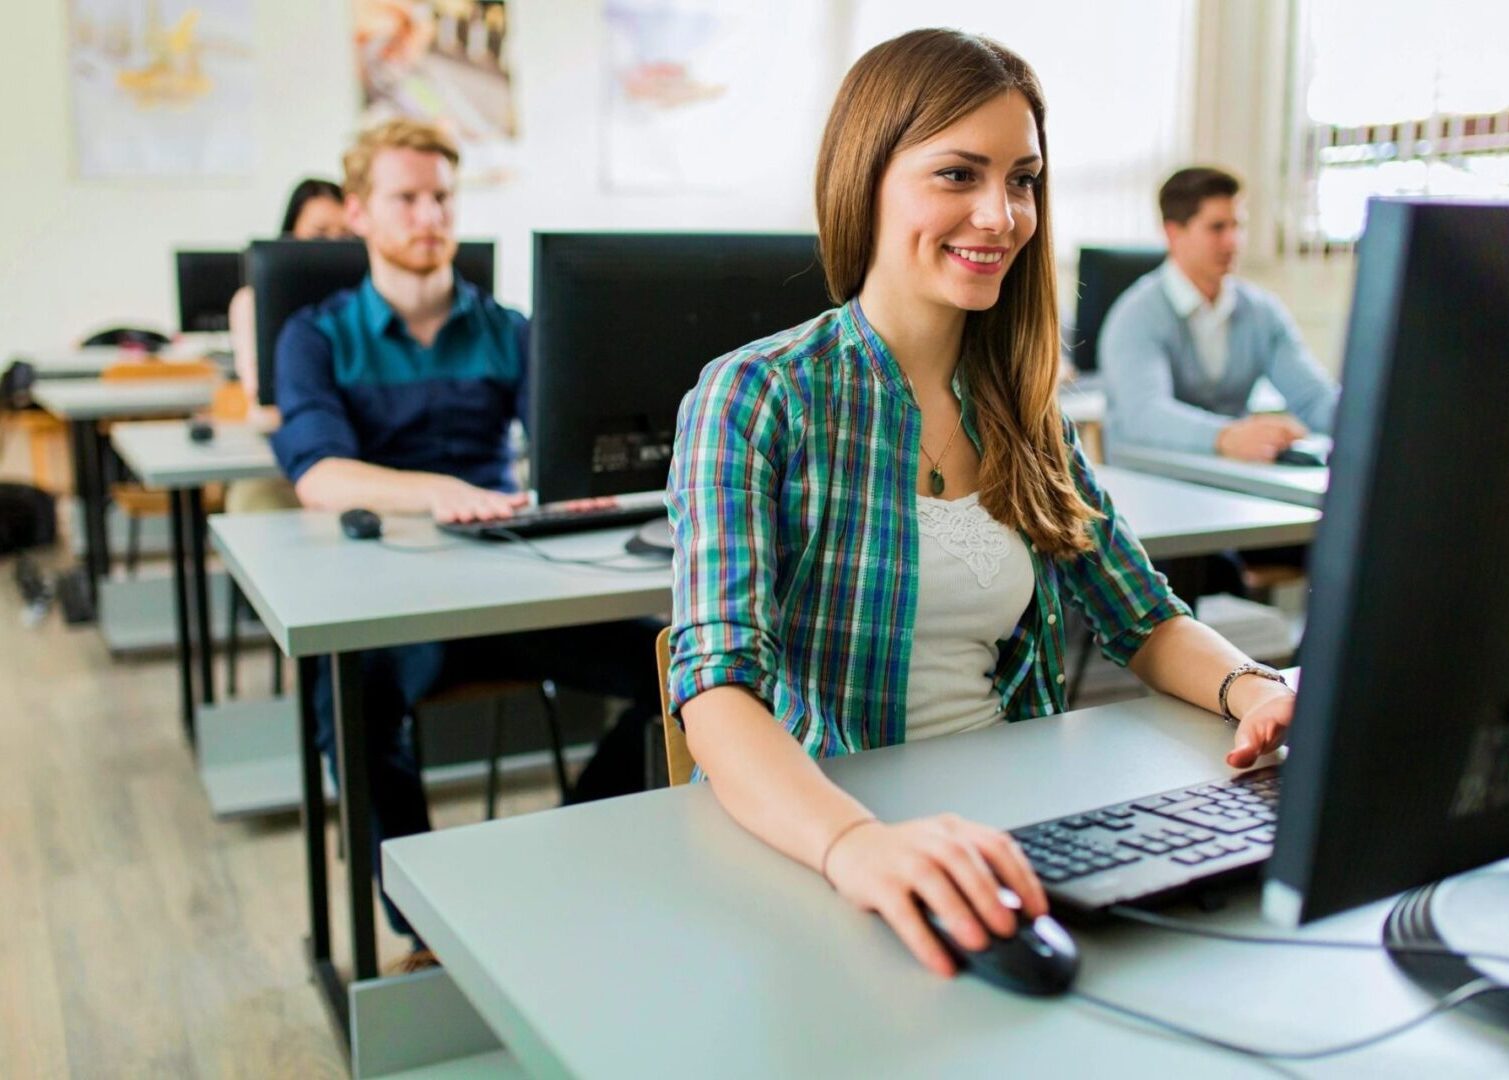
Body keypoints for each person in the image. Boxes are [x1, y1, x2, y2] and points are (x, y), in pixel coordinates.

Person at [665, 29, 1296, 979]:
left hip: (1019, 822)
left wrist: (1258, 689)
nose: (1000, 215)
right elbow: (716, 692)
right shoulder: (756, 397)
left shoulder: (1020, 404)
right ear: (865, 178)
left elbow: (1144, 618)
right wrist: (857, 845)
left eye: (1023, 179)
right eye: (958, 174)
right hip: (832, 833)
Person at [270, 119, 658, 951]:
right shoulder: (314, 335)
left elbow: (564, 451)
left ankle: (556, 862)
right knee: (349, 702)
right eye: (404, 198)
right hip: (384, 592)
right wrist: (443, 493)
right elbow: (318, 477)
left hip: (509, 582)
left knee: (680, 668)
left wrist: (585, 489)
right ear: (361, 214)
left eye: (441, 197)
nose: (428, 215)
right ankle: (430, 932)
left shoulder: (509, 328)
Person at [1099, 166, 1340, 462]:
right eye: (1217, 228)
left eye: (1238, 226)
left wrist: (1366, 424)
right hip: (1150, 476)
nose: (1233, 241)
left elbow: (1314, 398)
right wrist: (1227, 436)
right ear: (1174, 233)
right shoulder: (1136, 316)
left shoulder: (1261, 313)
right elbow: (1144, 414)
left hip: (1228, 476)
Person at [223, 179, 351, 515]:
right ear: (289, 235)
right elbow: (265, 406)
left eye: (346, 235)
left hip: (368, 458)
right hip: (282, 460)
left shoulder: (370, 310)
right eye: (320, 233)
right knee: (255, 504)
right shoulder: (255, 304)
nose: (334, 247)